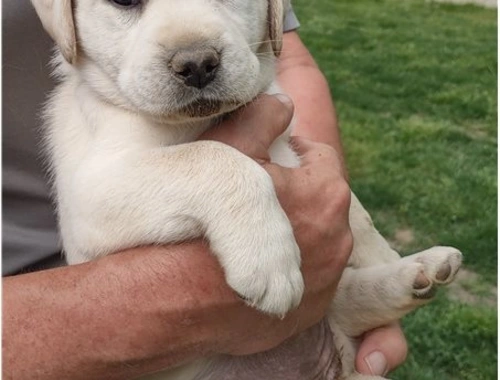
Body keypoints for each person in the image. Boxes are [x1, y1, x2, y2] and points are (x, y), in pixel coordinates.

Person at [2, 1, 407, 378]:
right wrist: (229, 185)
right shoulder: (107, 116)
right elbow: (97, 212)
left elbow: (293, 62)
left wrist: (327, 212)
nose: (194, 57)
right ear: (64, 21)